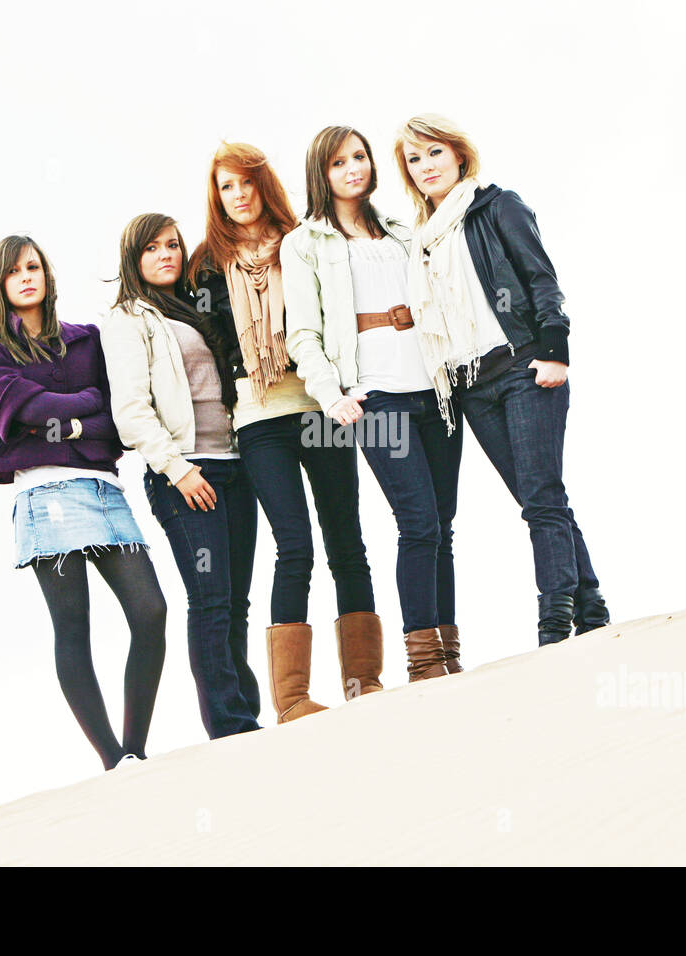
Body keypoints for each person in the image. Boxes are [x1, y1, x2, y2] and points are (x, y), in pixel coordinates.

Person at [392, 115, 611, 645]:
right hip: (471, 386)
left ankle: (555, 621)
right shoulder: (422, 239)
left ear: (459, 155)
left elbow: (541, 278)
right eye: (414, 160)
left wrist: (556, 350)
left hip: (524, 367)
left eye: (434, 153)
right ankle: (593, 605)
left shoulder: (497, 206)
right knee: (539, 499)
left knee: (541, 495)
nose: (425, 167)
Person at [188, 142, 380, 719]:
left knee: (347, 539)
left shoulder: (305, 242)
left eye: (246, 182)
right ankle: (292, 697)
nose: (238, 194)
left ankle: (363, 683)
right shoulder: (205, 265)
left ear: (264, 184)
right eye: (226, 186)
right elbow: (207, 348)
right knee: (294, 545)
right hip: (258, 418)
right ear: (216, 196)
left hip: (322, 405)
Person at [0, 235, 166, 771]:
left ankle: (134, 749)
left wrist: (66, 419)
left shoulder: (87, 341)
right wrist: (82, 411)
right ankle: (112, 759)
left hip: (104, 490)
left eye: (34, 267)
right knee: (73, 627)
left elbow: (116, 421)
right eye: (14, 271)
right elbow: (18, 408)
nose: (27, 276)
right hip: (44, 494)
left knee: (151, 612)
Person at [283, 125, 461, 682]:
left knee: (444, 525)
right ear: (322, 173)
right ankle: (424, 660)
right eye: (339, 163)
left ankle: (449, 654)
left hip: (433, 388)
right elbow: (302, 333)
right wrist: (331, 395)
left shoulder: (405, 231)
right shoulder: (305, 242)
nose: (353, 169)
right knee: (418, 522)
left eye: (359, 157)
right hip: (376, 398)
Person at [100, 213, 261, 740]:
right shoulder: (129, 319)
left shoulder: (195, 308)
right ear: (133, 258)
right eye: (152, 248)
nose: (167, 255)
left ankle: (247, 713)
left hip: (234, 465)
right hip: (186, 473)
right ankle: (228, 725)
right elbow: (131, 411)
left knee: (237, 600)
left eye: (173, 245)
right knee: (211, 598)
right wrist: (177, 469)